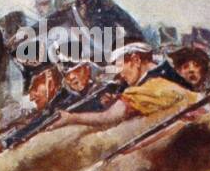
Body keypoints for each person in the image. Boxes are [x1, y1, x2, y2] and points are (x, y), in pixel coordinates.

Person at [49, 43, 200, 131]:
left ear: (135, 60)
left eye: (119, 65)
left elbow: (108, 118)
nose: (119, 74)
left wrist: (71, 118)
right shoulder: (164, 77)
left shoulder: (151, 86)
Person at [40, 0, 145, 67]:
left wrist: (124, 54)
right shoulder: (69, 9)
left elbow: (135, 32)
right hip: (81, 66)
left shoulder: (108, 8)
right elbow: (43, 25)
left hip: (107, 65)